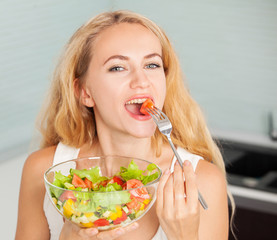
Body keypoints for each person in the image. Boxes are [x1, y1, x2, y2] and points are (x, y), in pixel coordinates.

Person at [15, 10, 233, 240]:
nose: (142, 81)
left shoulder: (202, 182)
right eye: (117, 67)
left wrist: (184, 236)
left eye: (151, 65)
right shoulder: (43, 171)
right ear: (84, 92)